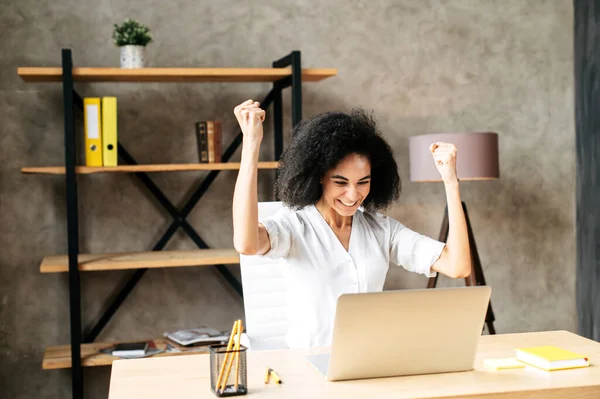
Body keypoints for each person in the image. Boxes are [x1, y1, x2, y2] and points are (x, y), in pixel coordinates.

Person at [232, 99, 471, 349]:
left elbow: (458, 266)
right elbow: (246, 244)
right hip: (309, 367)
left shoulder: (381, 229)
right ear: (320, 178)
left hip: (368, 362)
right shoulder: (293, 227)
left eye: (363, 182)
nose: (353, 195)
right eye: (341, 182)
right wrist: (251, 144)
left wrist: (451, 182)